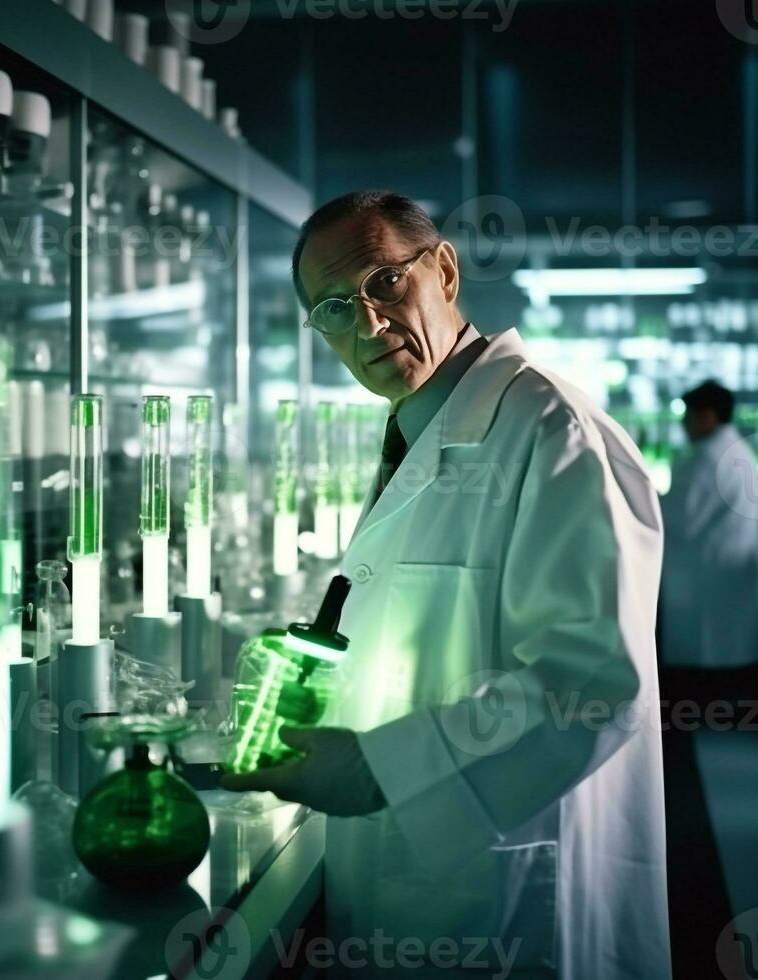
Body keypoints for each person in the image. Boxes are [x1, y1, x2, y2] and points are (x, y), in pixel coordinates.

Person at [222, 192, 671, 979]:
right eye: (332, 308)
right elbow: (427, 622)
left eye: (383, 284)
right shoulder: (417, 427)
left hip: (511, 900)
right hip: (420, 883)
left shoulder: (551, 431)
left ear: (445, 271)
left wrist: (377, 768)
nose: (365, 324)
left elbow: (592, 685)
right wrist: (316, 678)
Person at [659, 379, 758, 705]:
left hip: (704, 580)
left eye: (688, 415)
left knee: (698, 671)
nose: (684, 423)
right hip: (728, 577)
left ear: (709, 416)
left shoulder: (703, 460)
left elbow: (674, 518)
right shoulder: (739, 452)